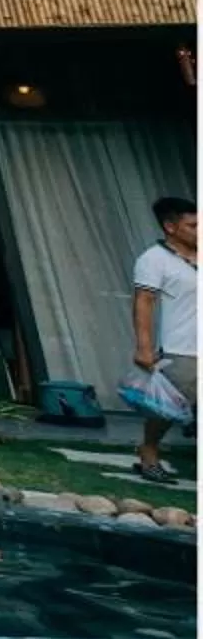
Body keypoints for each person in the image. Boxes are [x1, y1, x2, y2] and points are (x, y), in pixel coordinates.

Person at [130, 193, 197, 482]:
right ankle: (148, 450)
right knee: (167, 409)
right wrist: (144, 347)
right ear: (170, 227)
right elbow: (144, 302)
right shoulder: (154, 260)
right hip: (182, 348)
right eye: (193, 226)